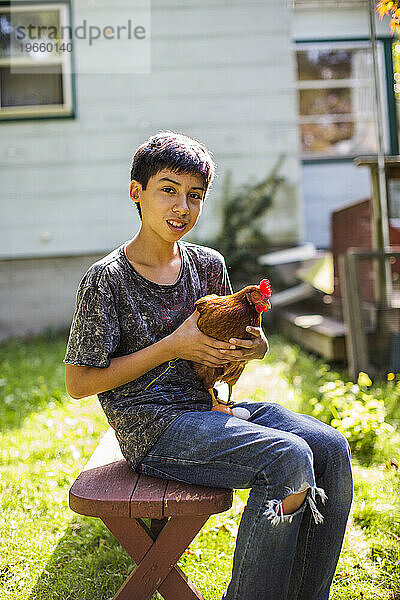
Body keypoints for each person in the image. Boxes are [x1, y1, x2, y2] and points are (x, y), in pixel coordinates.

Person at [64, 131, 353, 600]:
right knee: (288, 457)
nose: (182, 206)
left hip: (213, 407)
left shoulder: (208, 264)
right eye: (168, 190)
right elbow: (77, 382)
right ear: (137, 193)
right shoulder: (106, 281)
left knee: (330, 448)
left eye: (195, 195)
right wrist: (172, 347)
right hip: (154, 426)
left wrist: (250, 350)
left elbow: (250, 343)